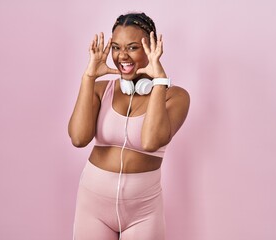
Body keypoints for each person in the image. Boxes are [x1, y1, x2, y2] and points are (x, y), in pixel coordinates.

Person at [68, 12, 190, 240]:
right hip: (92, 206)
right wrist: (88, 78)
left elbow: (151, 141)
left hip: (143, 212)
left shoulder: (175, 96)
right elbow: (78, 138)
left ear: (151, 47)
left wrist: (159, 82)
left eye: (132, 47)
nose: (122, 55)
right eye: (116, 47)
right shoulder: (100, 89)